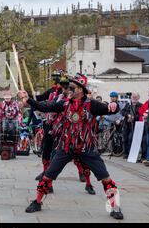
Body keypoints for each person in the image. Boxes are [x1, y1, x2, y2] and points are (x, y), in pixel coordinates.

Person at [18, 73, 124, 220]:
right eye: (68, 87)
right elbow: (45, 106)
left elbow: (111, 109)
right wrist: (28, 99)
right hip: (66, 147)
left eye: (72, 87)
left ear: (80, 90)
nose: (68, 89)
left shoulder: (92, 104)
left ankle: (115, 207)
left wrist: (115, 105)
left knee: (105, 177)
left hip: (86, 148)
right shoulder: (64, 103)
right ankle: (37, 202)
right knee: (48, 175)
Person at [121, 92, 142, 159]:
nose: (134, 98)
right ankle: (125, 153)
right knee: (125, 139)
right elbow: (122, 112)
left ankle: (131, 153)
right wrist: (128, 115)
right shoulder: (128, 104)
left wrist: (133, 117)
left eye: (135, 97)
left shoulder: (140, 105)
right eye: (133, 96)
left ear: (138, 98)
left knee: (131, 139)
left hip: (135, 125)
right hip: (126, 124)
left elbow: (140, 115)